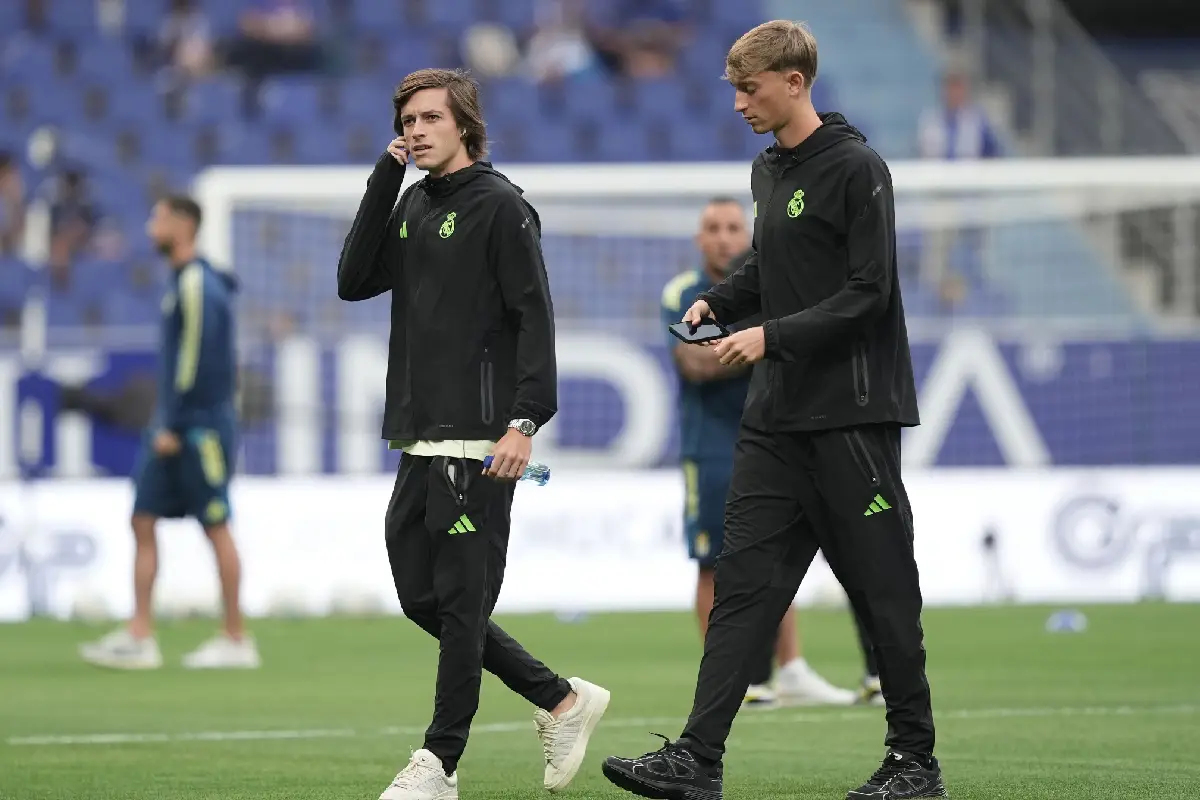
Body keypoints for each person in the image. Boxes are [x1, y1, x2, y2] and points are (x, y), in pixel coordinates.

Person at [603, 20, 945, 800]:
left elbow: (870, 293)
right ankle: (698, 757)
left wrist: (768, 336)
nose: (737, 103)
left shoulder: (858, 168)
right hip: (777, 422)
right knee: (741, 591)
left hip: (850, 420)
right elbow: (769, 263)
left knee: (884, 591)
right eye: (732, 88)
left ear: (795, 82)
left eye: (748, 88)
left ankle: (915, 763)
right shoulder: (768, 173)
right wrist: (716, 303)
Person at [336, 68, 610, 800]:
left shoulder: (501, 207)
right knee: (421, 599)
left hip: (480, 441)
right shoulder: (415, 205)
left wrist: (523, 423)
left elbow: (536, 321)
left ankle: (439, 763)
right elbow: (353, 278)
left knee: (459, 608)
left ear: (464, 123)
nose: (416, 130)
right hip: (420, 438)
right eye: (407, 120)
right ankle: (560, 699)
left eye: (430, 117)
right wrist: (383, 178)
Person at [662, 198, 865, 709]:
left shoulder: (771, 283)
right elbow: (696, 364)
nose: (725, 237)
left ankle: (790, 668)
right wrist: (767, 340)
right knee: (713, 563)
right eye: (713, 227)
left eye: (734, 227)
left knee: (778, 555)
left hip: (772, 437)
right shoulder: (687, 294)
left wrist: (764, 337)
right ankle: (731, 682)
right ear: (699, 239)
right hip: (710, 446)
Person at [79, 196, 257, 671]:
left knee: (215, 523)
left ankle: (236, 637)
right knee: (143, 517)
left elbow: (197, 361)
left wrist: (174, 423)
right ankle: (140, 634)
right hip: (176, 422)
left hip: (195, 427)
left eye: (157, 217)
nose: (149, 225)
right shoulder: (182, 281)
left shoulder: (198, 282)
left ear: (182, 225)